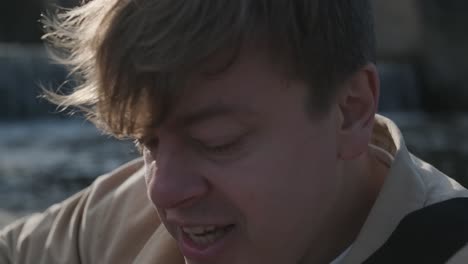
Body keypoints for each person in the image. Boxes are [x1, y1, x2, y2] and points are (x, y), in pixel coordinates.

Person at [1, 0, 468, 263]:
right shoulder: (116, 220)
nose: (161, 191)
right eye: (148, 142)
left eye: (216, 142)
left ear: (350, 111)